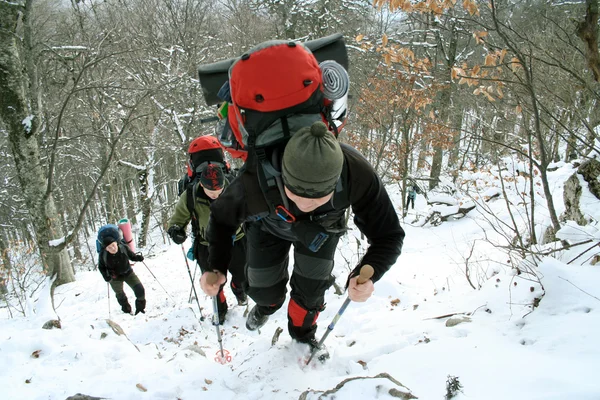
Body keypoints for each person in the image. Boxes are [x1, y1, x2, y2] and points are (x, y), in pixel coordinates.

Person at [201, 121, 405, 358]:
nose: (306, 205)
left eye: (318, 198)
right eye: (296, 194)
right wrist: (214, 266)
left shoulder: (356, 173)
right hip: (268, 226)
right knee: (264, 291)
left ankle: (302, 336)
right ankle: (266, 307)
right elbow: (221, 219)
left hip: (322, 231)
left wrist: (368, 273)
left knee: (310, 296)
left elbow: (389, 235)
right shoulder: (255, 180)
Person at [168, 163, 247, 324]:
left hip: (237, 240)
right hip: (207, 244)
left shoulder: (235, 188)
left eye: (219, 191)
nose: (216, 195)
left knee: (243, 275)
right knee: (213, 282)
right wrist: (176, 230)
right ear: (202, 184)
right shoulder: (191, 195)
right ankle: (220, 309)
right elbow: (179, 218)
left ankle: (238, 289)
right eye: (211, 192)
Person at [98, 236, 146, 315]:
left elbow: (132, 256)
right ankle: (127, 311)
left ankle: (140, 309)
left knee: (140, 289)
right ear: (106, 249)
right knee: (120, 295)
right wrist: (105, 276)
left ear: (116, 243)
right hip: (114, 278)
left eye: (113, 245)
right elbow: (101, 267)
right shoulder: (103, 255)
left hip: (128, 273)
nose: (113, 248)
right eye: (109, 248)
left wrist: (138, 258)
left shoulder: (123, 248)